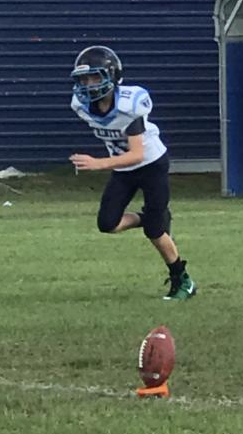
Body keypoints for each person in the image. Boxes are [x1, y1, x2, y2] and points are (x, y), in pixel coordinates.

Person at [69, 45, 196, 301]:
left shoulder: (130, 104)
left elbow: (137, 154)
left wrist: (99, 163)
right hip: (123, 168)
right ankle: (148, 217)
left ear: (112, 76)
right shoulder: (81, 105)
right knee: (107, 223)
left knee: (155, 232)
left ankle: (183, 280)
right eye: (84, 79)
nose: (89, 85)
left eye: (95, 77)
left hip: (151, 165)